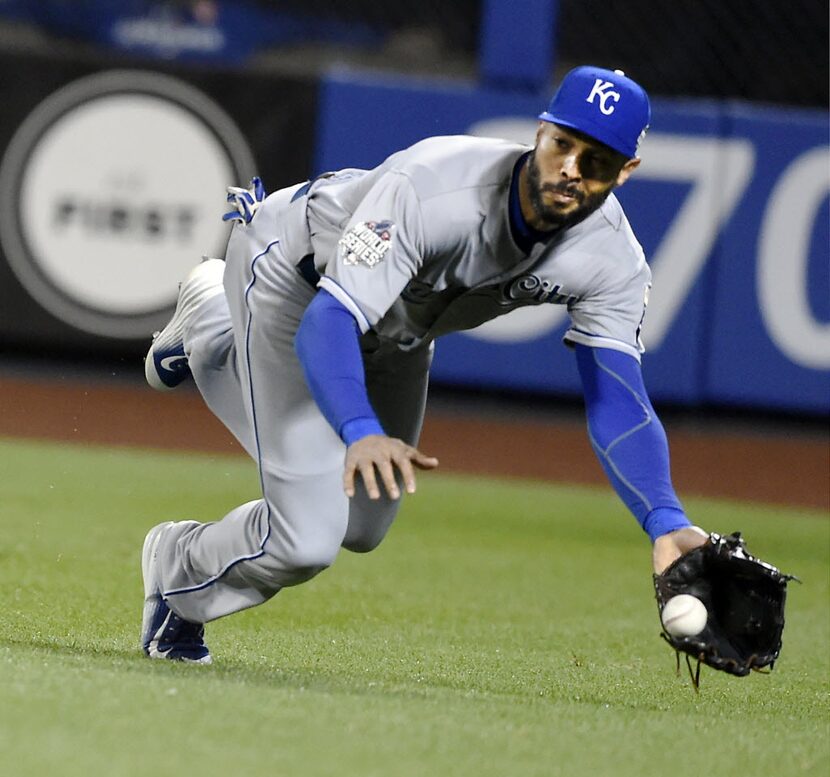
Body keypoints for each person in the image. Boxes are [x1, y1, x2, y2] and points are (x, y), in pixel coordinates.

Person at [141, 65, 708, 663]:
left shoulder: (613, 262)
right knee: (305, 540)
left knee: (362, 525)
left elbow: (618, 397)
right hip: (297, 284)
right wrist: (358, 431)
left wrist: (666, 519)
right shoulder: (436, 187)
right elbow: (327, 324)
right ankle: (179, 571)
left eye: (596, 159)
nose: (570, 168)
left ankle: (211, 326)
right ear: (540, 133)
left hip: (402, 326)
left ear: (626, 172)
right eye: (563, 143)